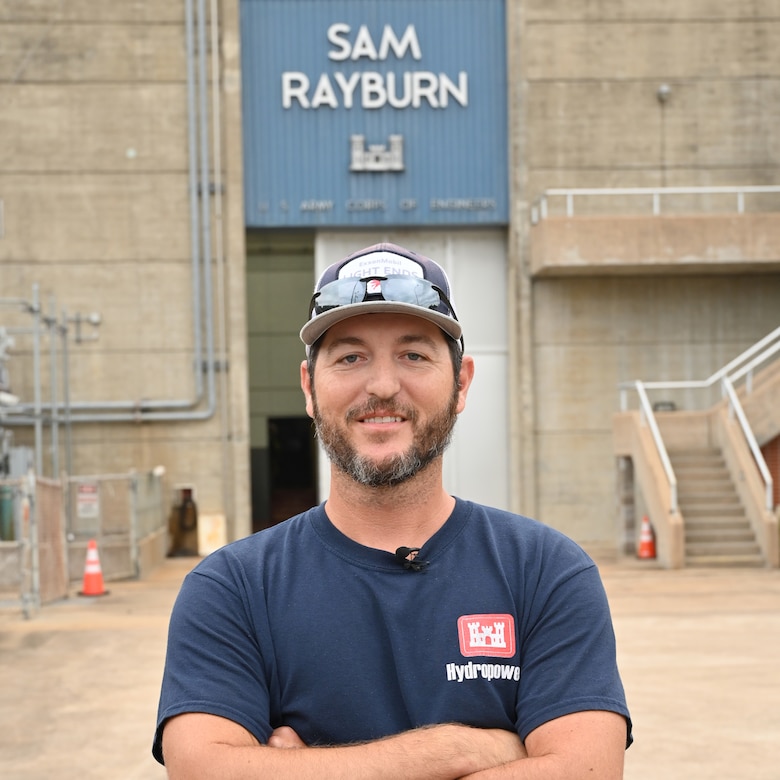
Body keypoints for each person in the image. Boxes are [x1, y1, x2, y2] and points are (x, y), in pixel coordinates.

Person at [153, 242, 632, 778]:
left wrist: (307, 769)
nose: (382, 387)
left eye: (414, 355)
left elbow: (586, 771)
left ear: (461, 383)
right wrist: (458, 751)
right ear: (310, 387)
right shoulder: (233, 588)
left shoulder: (545, 571)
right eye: (351, 357)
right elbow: (202, 770)